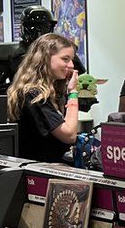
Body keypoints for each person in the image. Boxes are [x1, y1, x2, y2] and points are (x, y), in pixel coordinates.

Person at [6, 33, 80, 163]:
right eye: (65, 59)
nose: (71, 65)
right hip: (39, 170)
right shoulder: (34, 94)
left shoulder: (47, 91)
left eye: (71, 59)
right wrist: (73, 93)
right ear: (45, 58)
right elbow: (69, 135)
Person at [0, 5, 86, 95]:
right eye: (33, 26)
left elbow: (79, 80)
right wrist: (21, 87)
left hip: (57, 105)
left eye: (44, 26)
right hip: (23, 107)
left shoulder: (61, 52)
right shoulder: (9, 55)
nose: (38, 31)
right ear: (23, 28)